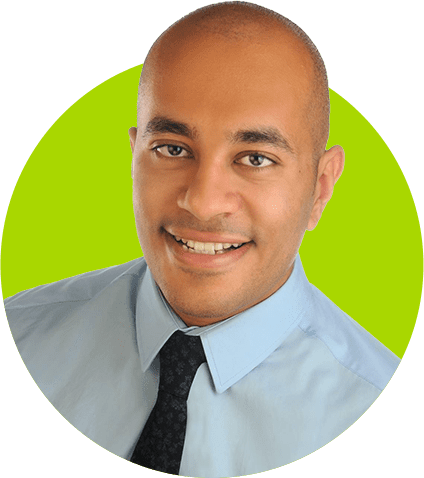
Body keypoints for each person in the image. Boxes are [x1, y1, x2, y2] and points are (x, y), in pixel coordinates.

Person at [4, 2, 400, 477]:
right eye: (172, 149)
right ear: (135, 157)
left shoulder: (387, 416)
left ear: (320, 188)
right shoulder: (21, 340)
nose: (204, 202)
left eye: (255, 158)